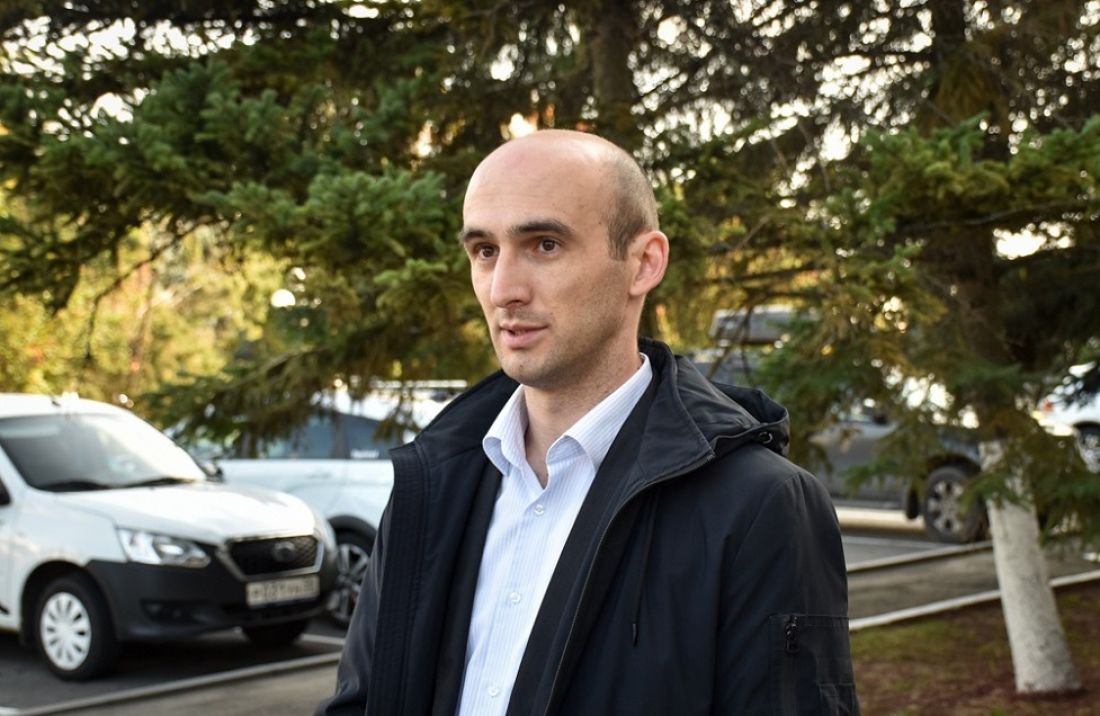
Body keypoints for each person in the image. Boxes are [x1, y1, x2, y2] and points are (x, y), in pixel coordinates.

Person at [317, 130, 858, 715]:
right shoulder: (433, 483)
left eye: (545, 245)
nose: (503, 290)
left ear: (643, 263)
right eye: (485, 250)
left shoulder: (759, 505)